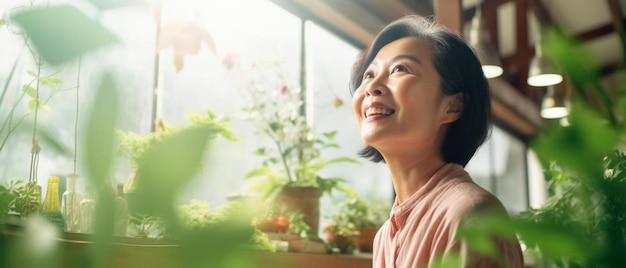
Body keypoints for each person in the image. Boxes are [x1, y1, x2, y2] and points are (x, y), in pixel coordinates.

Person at [349, 15, 524, 267]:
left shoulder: (471, 216)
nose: (372, 86)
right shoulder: (384, 237)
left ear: (452, 106)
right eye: (368, 75)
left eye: (400, 69)